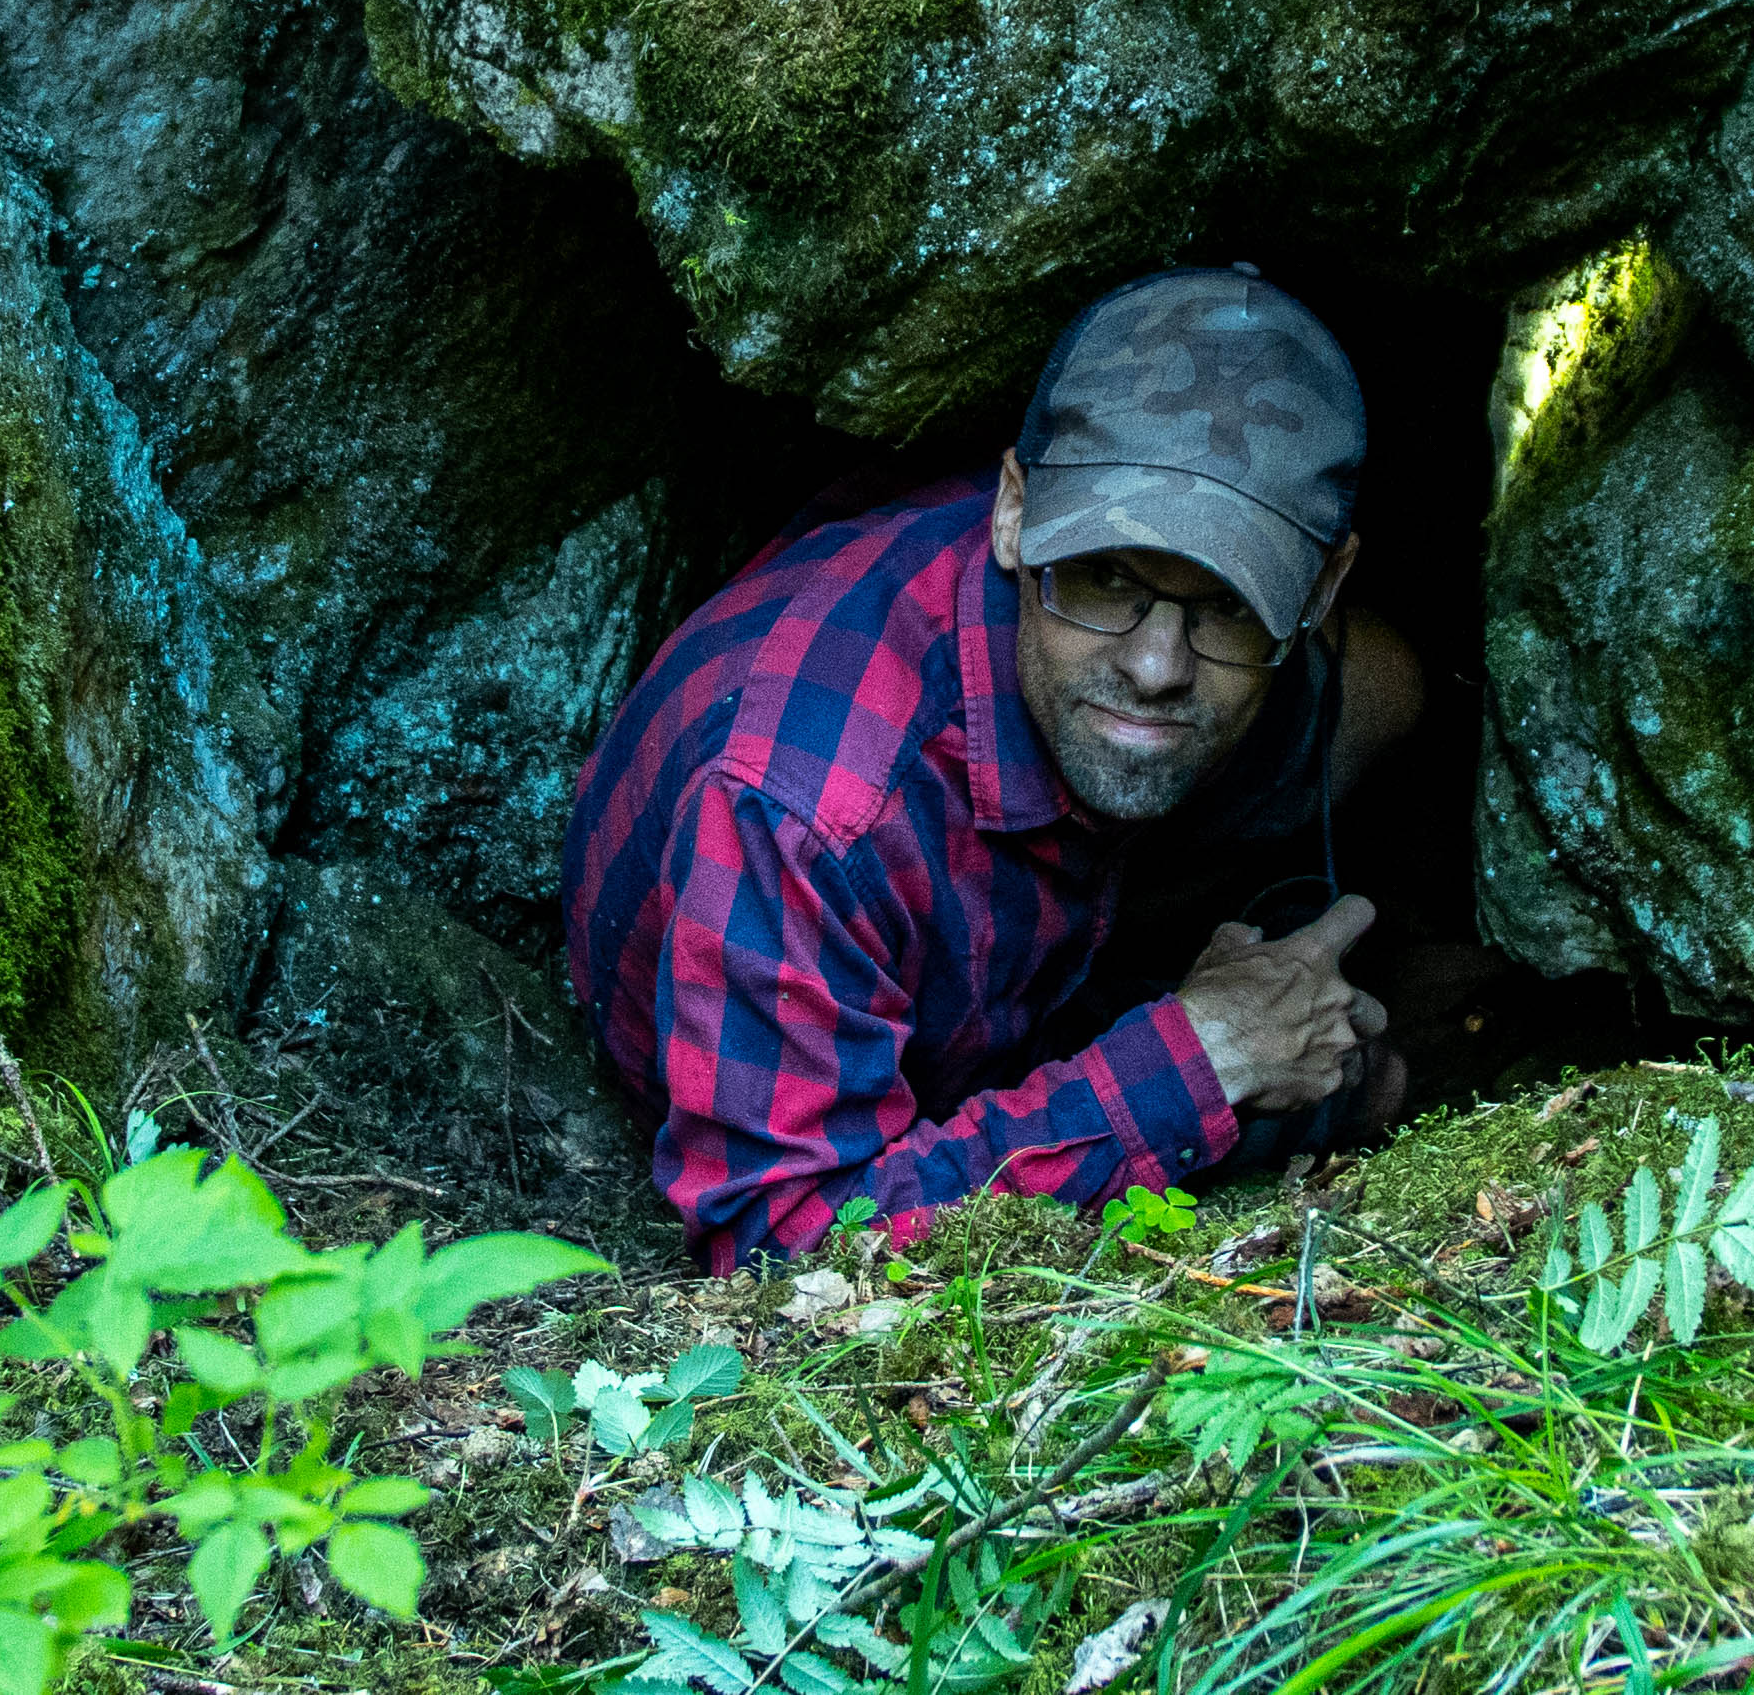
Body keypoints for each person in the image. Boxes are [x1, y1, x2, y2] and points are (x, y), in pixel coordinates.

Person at [564, 265, 1424, 1270]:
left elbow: (1379, 689)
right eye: (1106, 574)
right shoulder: (809, 812)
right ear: (1014, 512)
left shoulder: (1161, 643)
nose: (1155, 664)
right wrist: (1204, 1053)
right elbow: (779, 1243)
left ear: (1323, 587)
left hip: (1054, 917)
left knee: (1378, 706)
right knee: (1296, 1099)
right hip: (829, 1077)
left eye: (1226, 602)